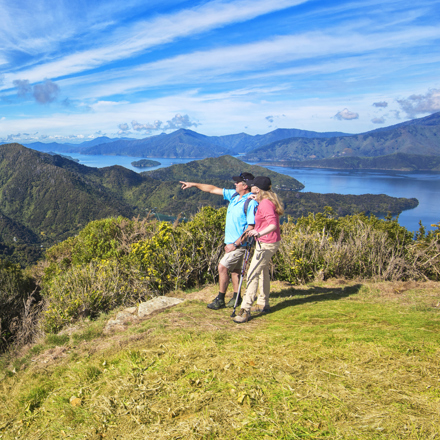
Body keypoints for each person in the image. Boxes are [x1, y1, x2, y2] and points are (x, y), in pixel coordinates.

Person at [180, 173, 258, 310]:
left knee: (222, 267)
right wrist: (193, 184)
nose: (235, 184)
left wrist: (235, 244)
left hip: (239, 245)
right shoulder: (234, 195)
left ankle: (220, 298)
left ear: (245, 186)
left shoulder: (250, 202)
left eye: (238, 182)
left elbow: (251, 227)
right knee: (235, 271)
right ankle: (236, 297)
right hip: (232, 243)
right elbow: (212, 189)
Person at [233, 176, 283, 324]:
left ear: (258, 189)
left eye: (253, 186)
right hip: (269, 242)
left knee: (252, 273)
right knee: (262, 271)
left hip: (266, 243)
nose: (250, 188)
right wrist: (257, 200)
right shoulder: (266, 201)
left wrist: (258, 233)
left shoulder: (266, 203)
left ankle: (245, 309)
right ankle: (263, 303)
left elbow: (273, 224)